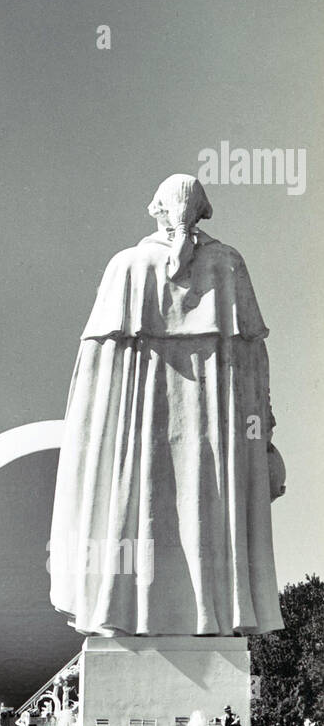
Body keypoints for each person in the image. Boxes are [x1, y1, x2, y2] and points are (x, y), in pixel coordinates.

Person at [49, 174, 285, 637]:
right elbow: (255, 366)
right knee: (208, 507)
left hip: (137, 435)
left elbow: (95, 376)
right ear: (202, 211)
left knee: (134, 506)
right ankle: (212, 616)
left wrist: (88, 442)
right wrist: (263, 434)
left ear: (157, 209)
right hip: (216, 433)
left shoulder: (127, 267)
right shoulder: (228, 264)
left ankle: (122, 614)